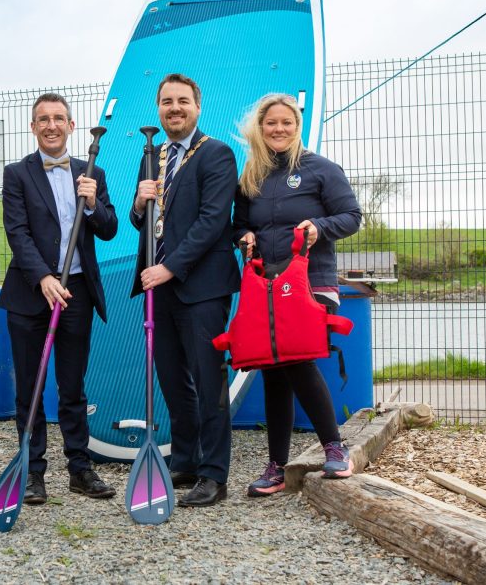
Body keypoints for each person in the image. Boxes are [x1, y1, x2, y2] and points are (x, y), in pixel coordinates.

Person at [232, 93, 362, 497]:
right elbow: (235, 224)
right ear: (260, 127)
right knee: (272, 370)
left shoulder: (321, 169)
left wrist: (317, 228)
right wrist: (244, 236)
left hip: (311, 282)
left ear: (297, 126)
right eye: (271, 123)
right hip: (266, 286)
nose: (279, 129)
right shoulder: (251, 176)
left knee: (300, 361)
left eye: (286, 122)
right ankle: (277, 465)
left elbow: (352, 217)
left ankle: (335, 448)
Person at [0, 93, 119, 505]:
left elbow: (110, 228)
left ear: (71, 126)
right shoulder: (16, 173)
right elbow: (17, 232)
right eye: (43, 119)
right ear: (33, 127)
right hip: (31, 294)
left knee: (73, 385)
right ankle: (32, 472)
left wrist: (91, 204)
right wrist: (44, 276)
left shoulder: (92, 172)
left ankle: (80, 468)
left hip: (78, 293)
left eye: (59, 119)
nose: (51, 125)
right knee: (30, 386)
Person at [130, 73, 241, 507]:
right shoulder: (151, 154)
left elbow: (213, 222)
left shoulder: (216, 153)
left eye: (182, 101)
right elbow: (143, 222)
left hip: (202, 287)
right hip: (160, 287)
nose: (174, 109)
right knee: (173, 380)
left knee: (207, 378)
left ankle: (215, 473)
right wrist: (140, 202)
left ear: (198, 106)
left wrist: (169, 269)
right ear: (158, 108)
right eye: (166, 102)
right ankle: (187, 459)